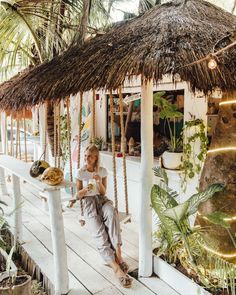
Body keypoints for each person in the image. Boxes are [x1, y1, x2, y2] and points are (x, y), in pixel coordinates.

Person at [75, 145, 133, 288]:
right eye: (85, 155)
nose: (86, 158)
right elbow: (77, 196)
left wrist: (99, 181)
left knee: (111, 213)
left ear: (96, 158)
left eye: (90, 156)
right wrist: (84, 189)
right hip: (88, 203)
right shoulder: (80, 173)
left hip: (102, 201)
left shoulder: (102, 171)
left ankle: (118, 254)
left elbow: (103, 192)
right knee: (99, 232)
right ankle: (116, 268)